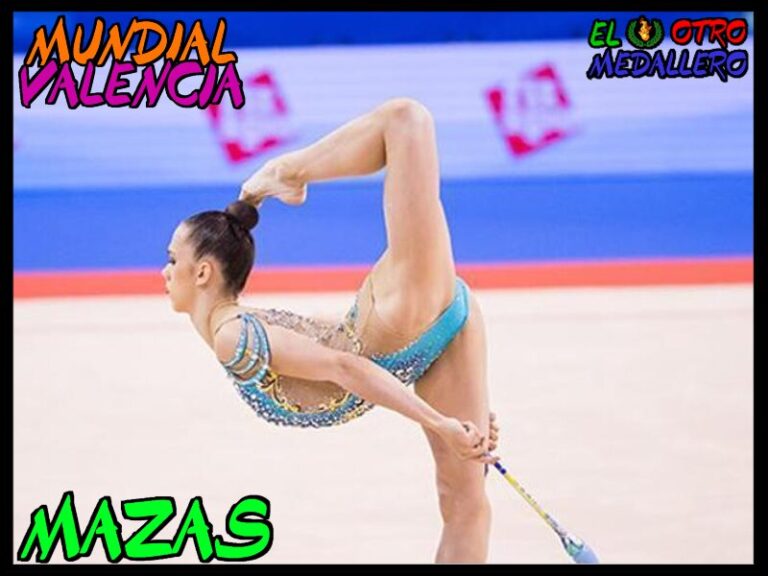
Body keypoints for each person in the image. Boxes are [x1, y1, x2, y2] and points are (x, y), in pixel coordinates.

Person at [163, 98, 500, 563]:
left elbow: (346, 366)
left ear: (202, 272)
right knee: (464, 503)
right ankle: (291, 172)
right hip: (430, 340)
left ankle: (289, 170)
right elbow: (332, 341)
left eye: (172, 260)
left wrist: (440, 422)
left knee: (406, 121)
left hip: (401, 317)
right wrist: (463, 416)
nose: (165, 272)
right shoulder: (246, 326)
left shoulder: (233, 337)